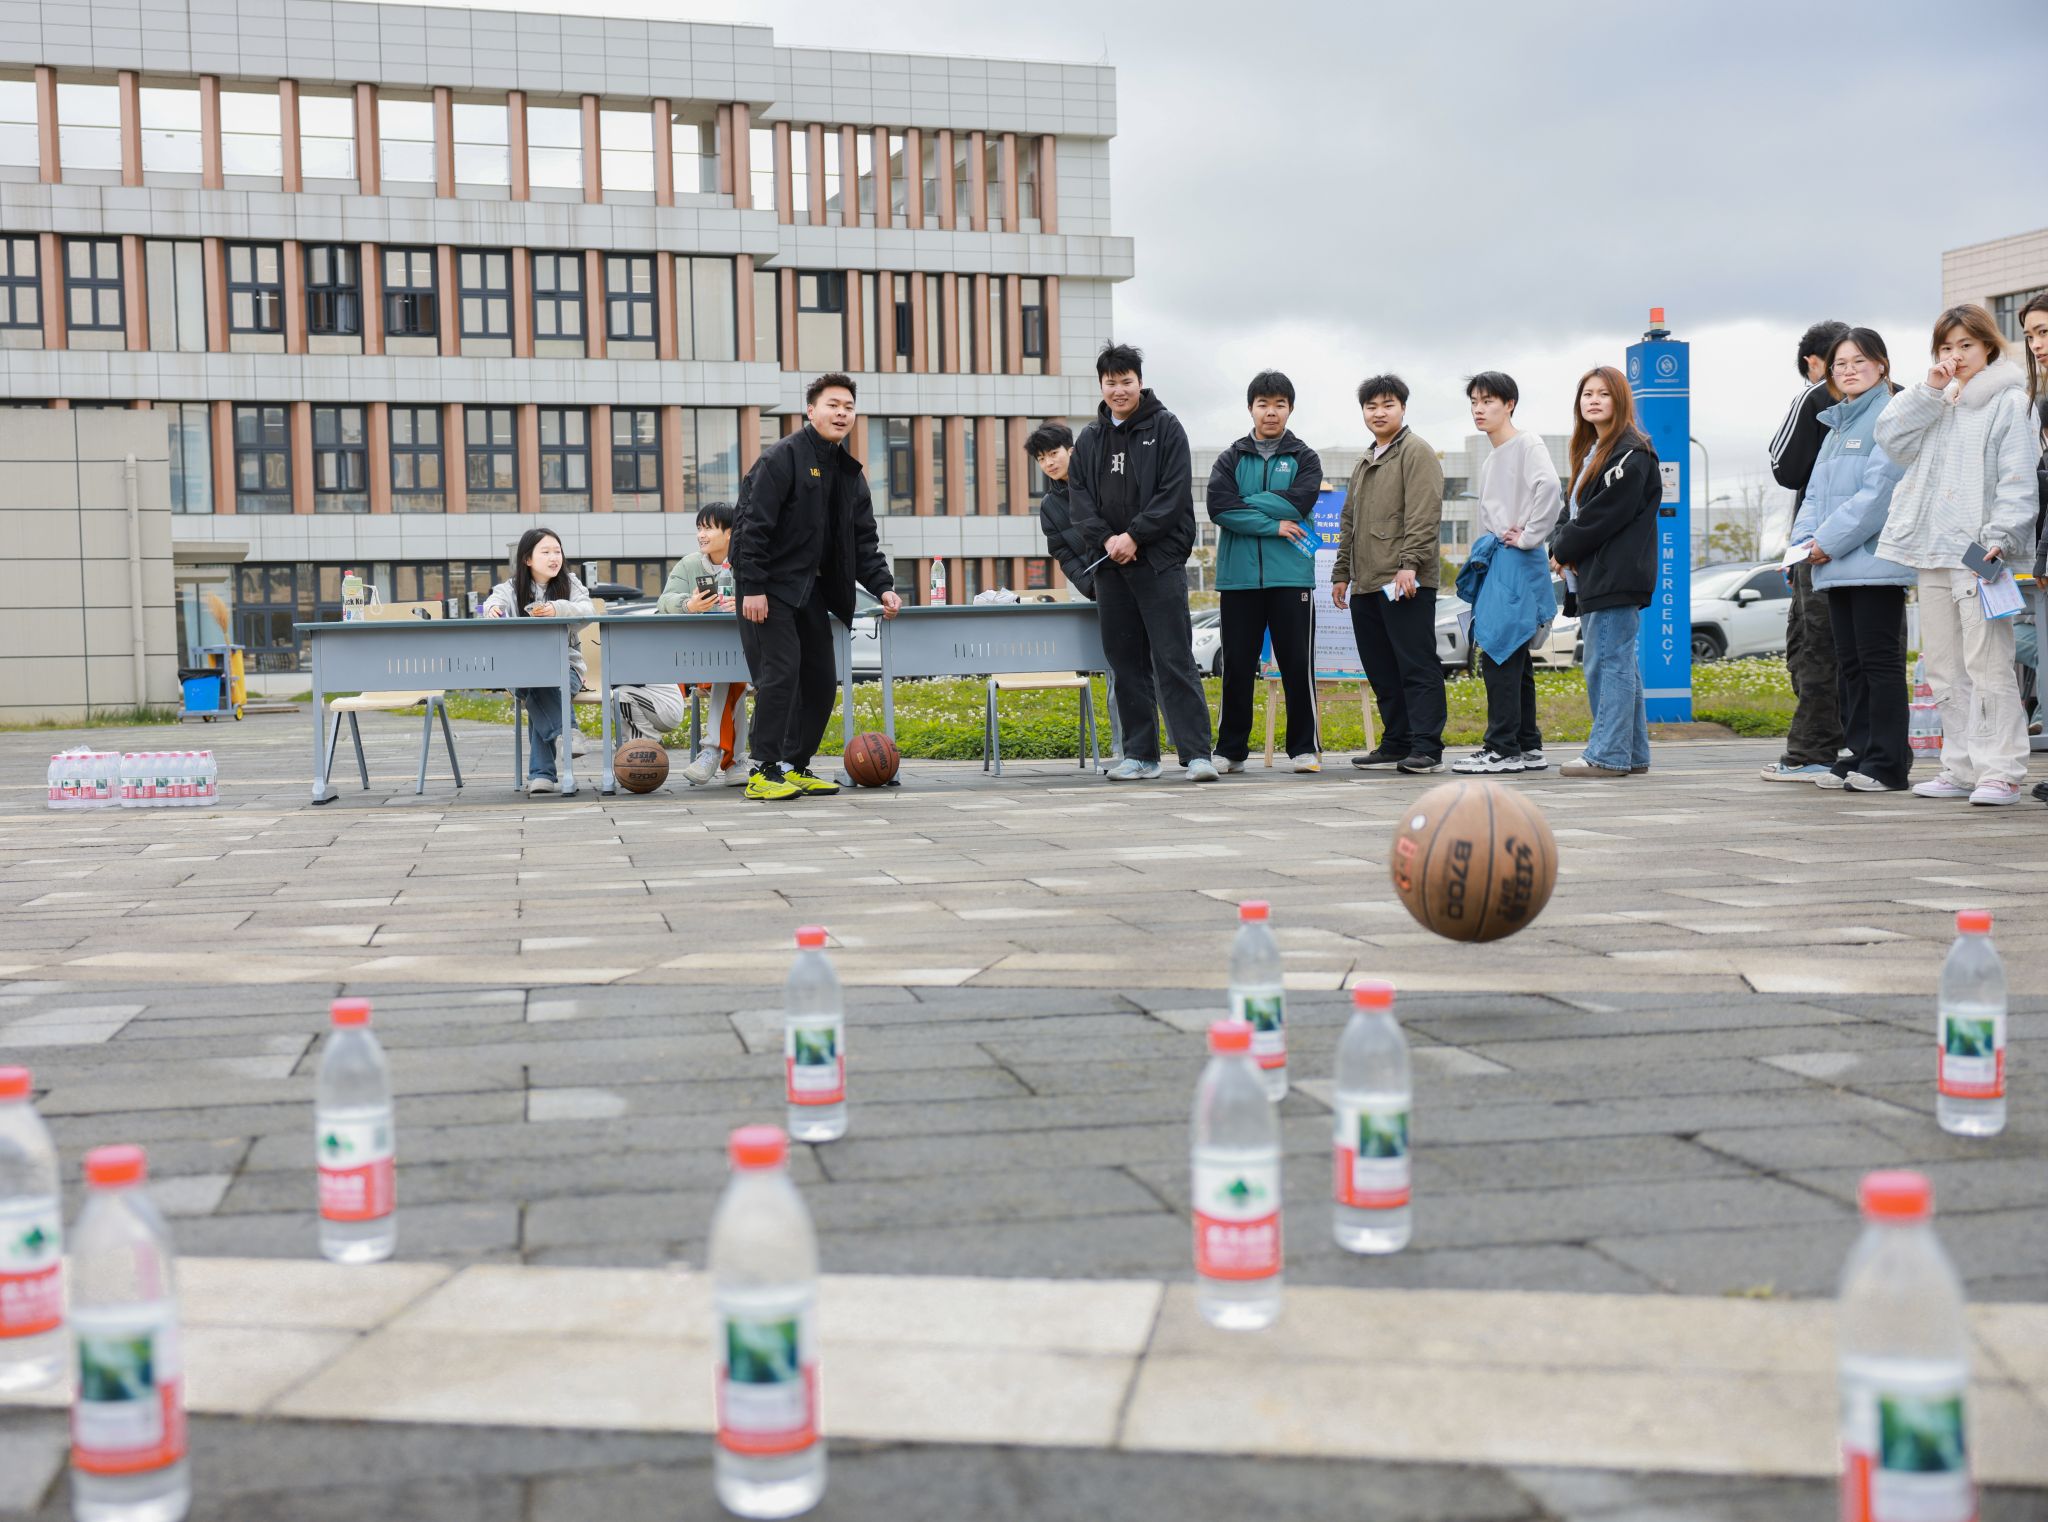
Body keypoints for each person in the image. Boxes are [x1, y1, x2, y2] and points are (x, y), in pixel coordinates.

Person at [1876, 304, 2041, 807]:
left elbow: (2018, 476)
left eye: (1966, 344)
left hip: (1978, 550)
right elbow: (1891, 441)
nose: (1956, 355)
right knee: (1945, 667)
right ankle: (1960, 766)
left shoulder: (2010, 401)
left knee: (1988, 663)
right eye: (1946, 347)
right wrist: (1927, 390)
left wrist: (2002, 535)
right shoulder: (1939, 399)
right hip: (1931, 548)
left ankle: (2001, 771)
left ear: (1988, 345)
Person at [731, 373, 902, 802]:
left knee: (822, 680)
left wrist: (883, 586)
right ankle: (763, 769)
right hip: (769, 589)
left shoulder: (848, 473)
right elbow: (751, 526)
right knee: (780, 674)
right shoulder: (781, 458)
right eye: (832, 405)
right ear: (811, 410)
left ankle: (794, 765)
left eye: (848, 407)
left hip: (811, 591)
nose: (841, 413)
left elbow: (863, 541)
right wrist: (753, 586)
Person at [1067, 341, 1218, 782]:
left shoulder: (1166, 427)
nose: (1119, 390)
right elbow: (1079, 502)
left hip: (1158, 562)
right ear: (1101, 385)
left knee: (1173, 658)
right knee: (1125, 662)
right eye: (1110, 382)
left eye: (1126, 381)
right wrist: (1108, 540)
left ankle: (1197, 755)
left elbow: (1173, 493)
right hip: (1110, 566)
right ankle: (1140, 755)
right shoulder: (1090, 438)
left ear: (1140, 382)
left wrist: (1135, 536)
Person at [1789, 328, 1912, 791]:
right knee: (1851, 664)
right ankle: (1860, 754)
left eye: (1859, 361)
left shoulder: (1891, 415)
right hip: (1834, 562)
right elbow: (1814, 494)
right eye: (1840, 363)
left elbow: (1879, 495)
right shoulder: (1838, 423)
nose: (1849, 370)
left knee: (1879, 663)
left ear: (1882, 365)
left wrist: (1826, 541)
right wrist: (1803, 543)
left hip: (1875, 563)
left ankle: (1887, 763)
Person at [1206, 370, 1324, 772]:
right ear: (1251, 408)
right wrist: (1272, 525)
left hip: (1291, 577)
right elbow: (1219, 507)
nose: (1271, 412)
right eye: (1263, 404)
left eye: (1279, 405)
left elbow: (1299, 504)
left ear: (1290, 409)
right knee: (1237, 666)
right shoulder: (1231, 457)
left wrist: (1246, 501)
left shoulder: (1305, 457)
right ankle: (1230, 750)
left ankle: (1304, 749)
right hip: (1238, 578)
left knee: (1296, 665)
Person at [1332, 374, 1447, 774]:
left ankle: (1427, 747)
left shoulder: (1416, 451)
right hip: (1366, 583)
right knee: (1381, 669)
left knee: (1416, 665)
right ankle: (1396, 742)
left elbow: (1424, 514)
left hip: (1403, 581)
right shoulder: (1365, 460)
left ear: (1403, 408)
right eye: (1371, 406)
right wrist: (1342, 572)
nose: (1379, 413)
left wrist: (1409, 564)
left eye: (1387, 405)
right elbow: (1349, 521)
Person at [1550, 366, 1660, 779]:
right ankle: (1631, 752)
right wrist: (1559, 545)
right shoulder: (1593, 452)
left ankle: (1607, 755)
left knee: (1608, 663)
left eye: (1603, 393)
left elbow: (1604, 515)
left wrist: (1564, 548)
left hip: (1617, 574)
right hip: (1598, 574)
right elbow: (1571, 510)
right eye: (1587, 394)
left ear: (1620, 400)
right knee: (1619, 663)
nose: (1593, 400)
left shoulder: (1632, 454)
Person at [1452, 371, 1562, 774]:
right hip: (1504, 556)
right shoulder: (1493, 455)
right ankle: (1527, 745)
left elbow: (1550, 488)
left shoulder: (1526, 443)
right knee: (1514, 654)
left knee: (1499, 648)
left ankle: (1501, 749)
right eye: (1474, 403)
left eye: (1488, 402)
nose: (1479, 410)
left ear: (1509, 404)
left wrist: (1530, 535)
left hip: (1516, 557)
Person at [1763, 320, 1852, 781]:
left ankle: (1812, 751)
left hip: (1819, 545)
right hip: (1878, 546)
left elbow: (1785, 467)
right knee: (1867, 653)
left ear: (1812, 362)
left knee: (1813, 647)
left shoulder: (1816, 395)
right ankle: (1863, 746)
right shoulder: (1895, 395)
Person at [482, 526, 596, 796]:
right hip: (520, 671)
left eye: (557, 551)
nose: (554, 557)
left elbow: (588, 610)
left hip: (566, 668)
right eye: (545, 552)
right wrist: (493, 609)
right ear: (527, 559)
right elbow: (493, 602)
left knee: (540, 690)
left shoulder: (570, 583)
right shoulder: (511, 588)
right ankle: (567, 734)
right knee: (536, 681)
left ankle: (541, 775)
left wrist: (557, 608)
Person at [658, 500, 750, 787]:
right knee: (729, 674)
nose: (701, 535)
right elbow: (664, 602)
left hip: (746, 657)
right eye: (699, 528)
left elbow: (770, 599)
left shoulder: (749, 562)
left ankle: (712, 751)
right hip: (699, 658)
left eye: (708, 528)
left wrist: (744, 603)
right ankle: (735, 761)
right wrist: (689, 604)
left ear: (730, 533)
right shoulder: (689, 564)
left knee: (730, 673)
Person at [1026, 421, 1094, 600]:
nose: (1048, 463)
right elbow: (1063, 553)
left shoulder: (1101, 482)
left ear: (1071, 451)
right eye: (1041, 459)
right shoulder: (1049, 506)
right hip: (1102, 589)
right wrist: (1090, 587)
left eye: (1053, 453)